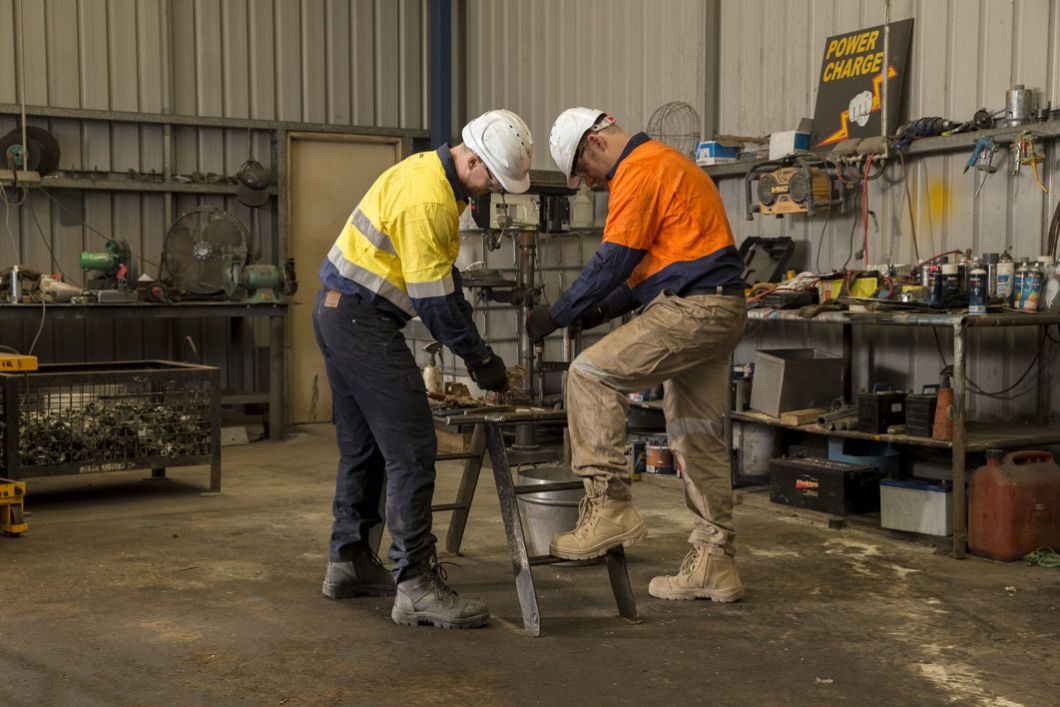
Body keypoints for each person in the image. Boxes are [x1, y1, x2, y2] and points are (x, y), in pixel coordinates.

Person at [314, 109, 533, 628]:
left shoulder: (426, 172)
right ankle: (414, 584)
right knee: (413, 446)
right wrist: (483, 362)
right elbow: (433, 305)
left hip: (337, 313)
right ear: (474, 159)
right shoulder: (431, 199)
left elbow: (440, 278)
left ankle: (347, 562)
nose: (491, 194)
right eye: (494, 182)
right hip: (362, 321)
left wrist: (472, 334)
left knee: (365, 447)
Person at [526, 108, 747, 602]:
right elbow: (649, 270)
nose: (592, 185)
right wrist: (597, 311)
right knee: (696, 433)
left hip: (690, 310)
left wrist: (557, 314)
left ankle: (609, 507)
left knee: (589, 374)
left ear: (596, 144)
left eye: (586, 174)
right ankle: (716, 561)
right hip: (720, 306)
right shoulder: (671, 165)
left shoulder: (639, 168)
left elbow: (613, 260)